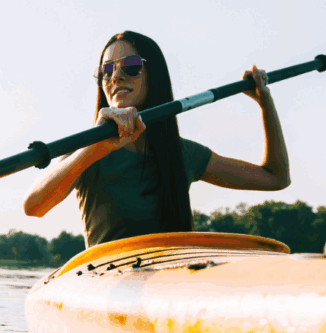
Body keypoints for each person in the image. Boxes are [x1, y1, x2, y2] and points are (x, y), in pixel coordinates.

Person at [23, 30, 290, 247]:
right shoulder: (85, 151)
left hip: (170, 277)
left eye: (131, 66)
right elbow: (34, 206)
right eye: (107, 70)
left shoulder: (184, 153)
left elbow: (275, 178)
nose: (116, 76)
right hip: (107, 279)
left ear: (154, 76)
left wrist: (265, 104)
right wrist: (95, 148)